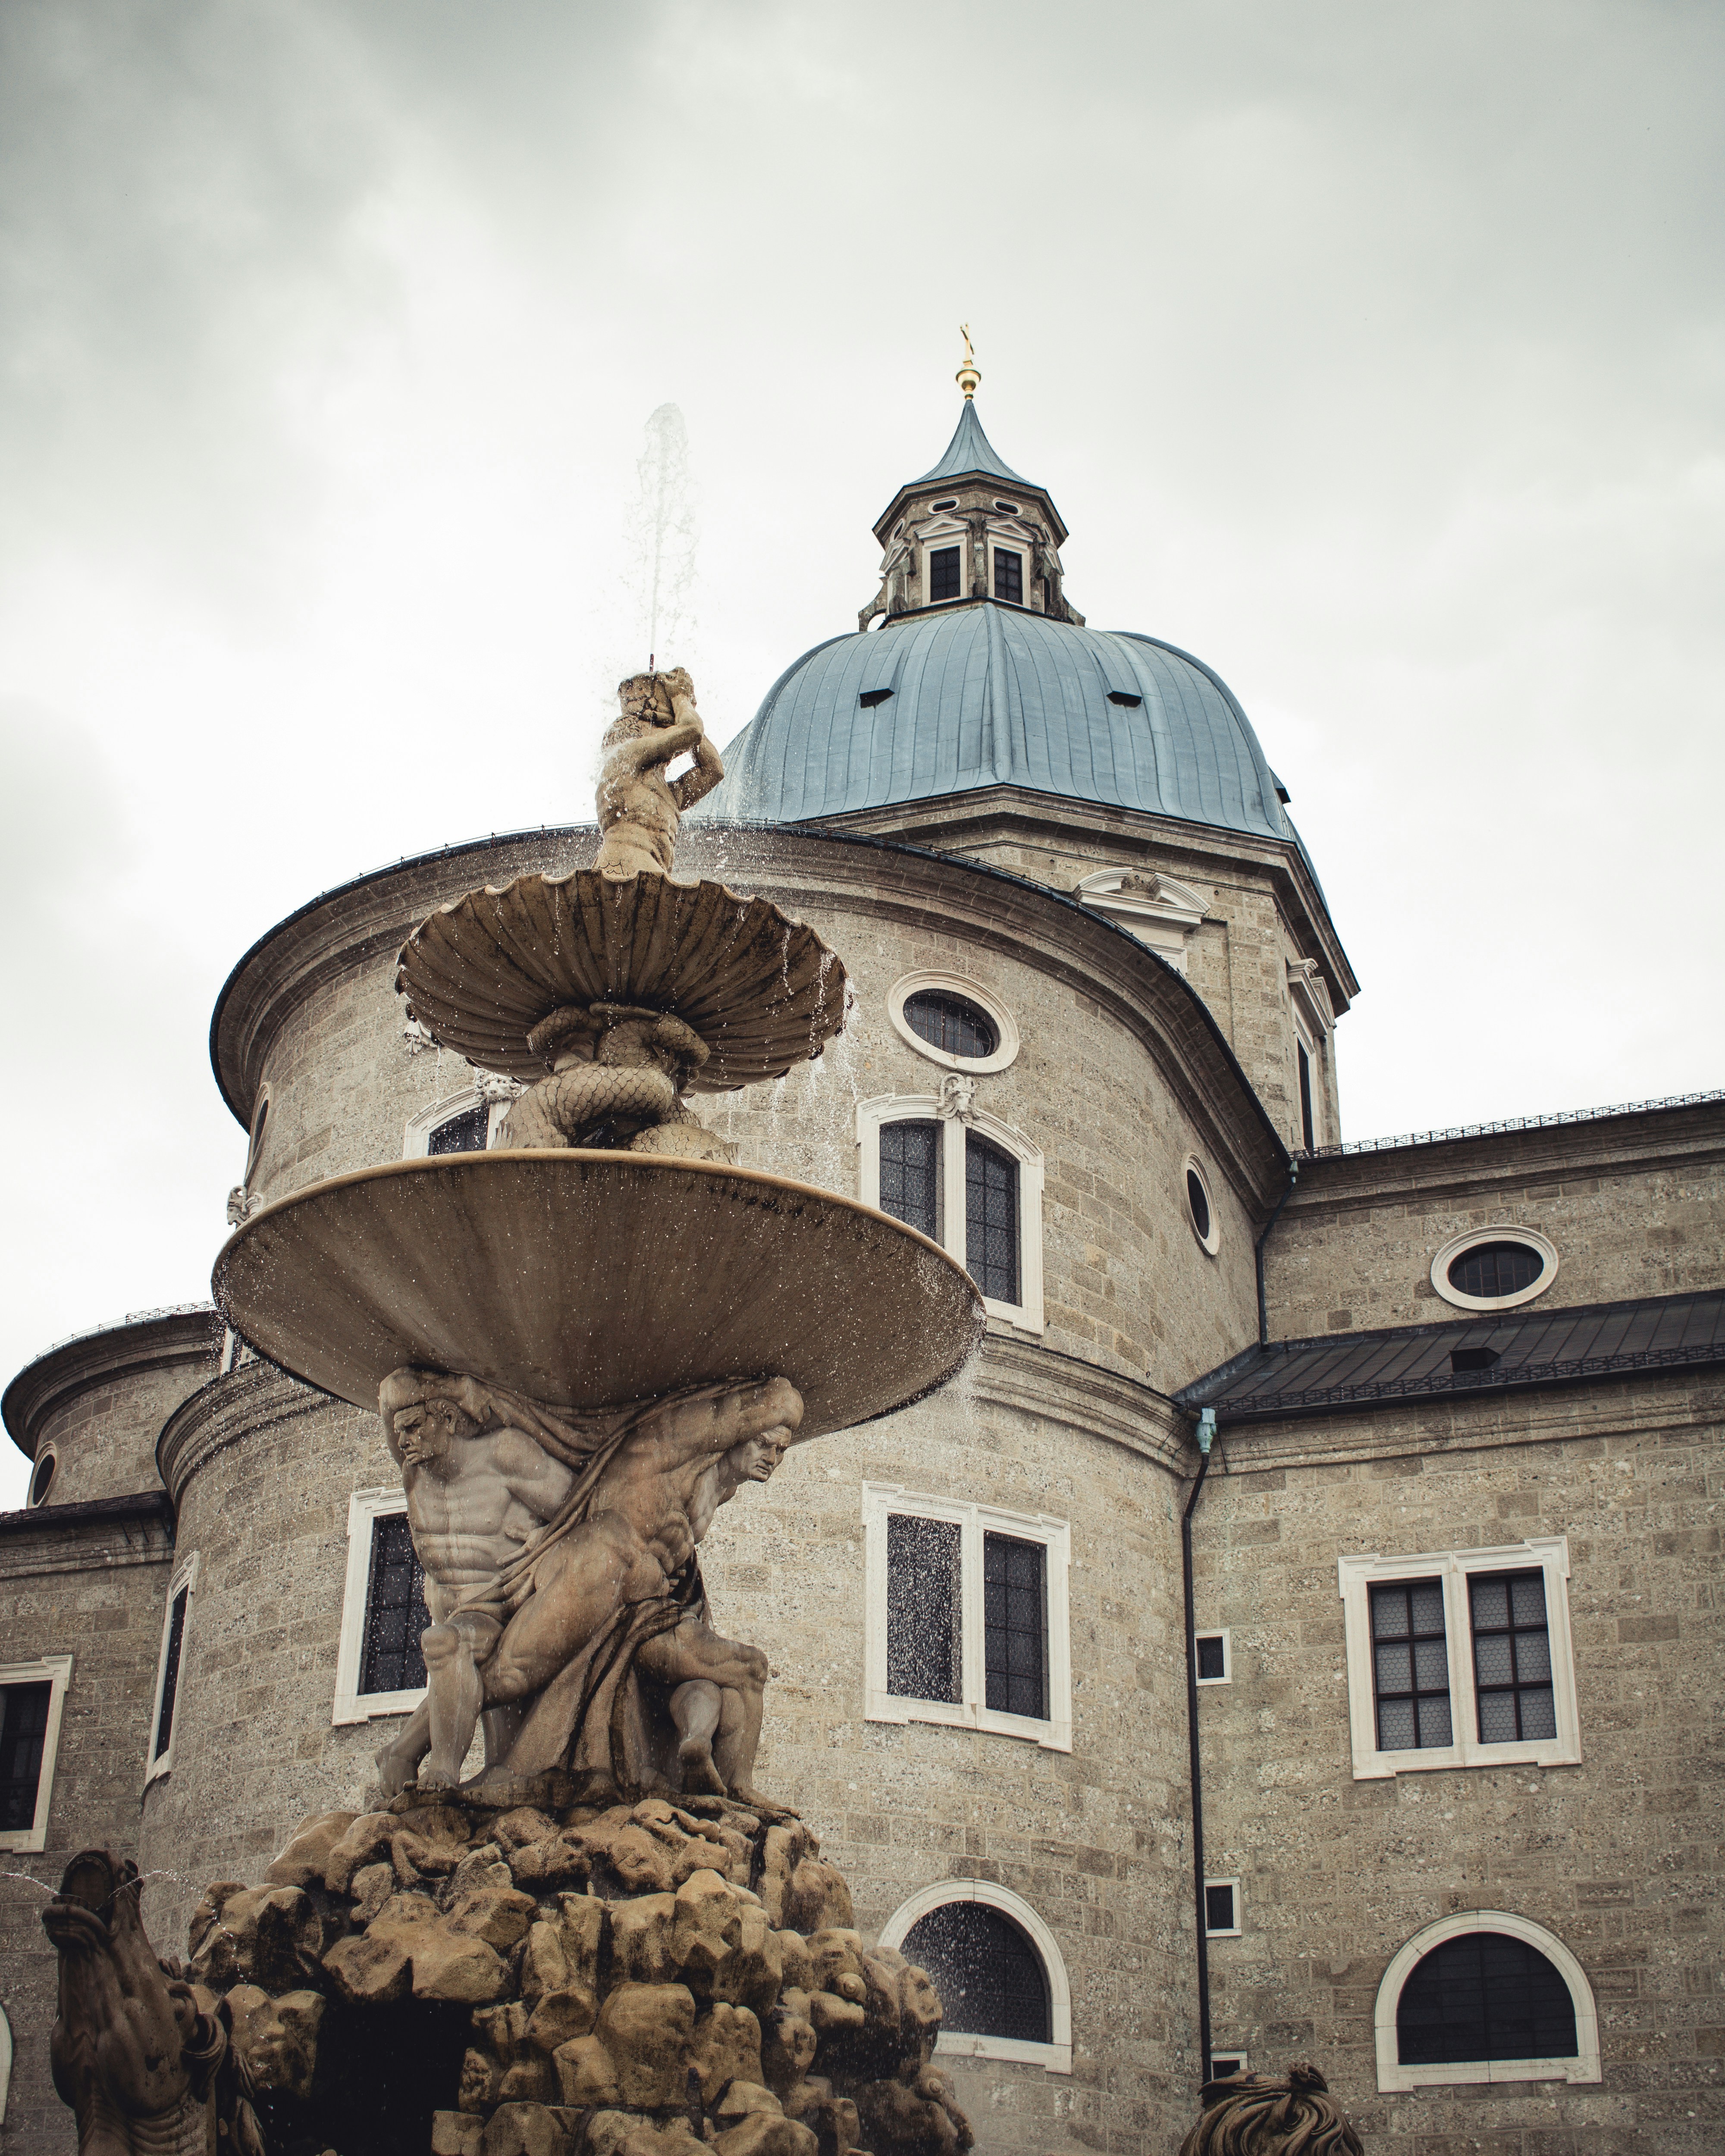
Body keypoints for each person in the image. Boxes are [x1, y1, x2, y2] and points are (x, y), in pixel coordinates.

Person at [374, 1368, 798, 1798]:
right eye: (764, 1443)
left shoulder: (711, 1483)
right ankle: (433, 1771)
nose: (773, 1457)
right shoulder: (420, 1472)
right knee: (493, 1675)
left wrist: (551, 1533)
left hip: (565, 1591)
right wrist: (456, 1389)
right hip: (570, 1585)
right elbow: (582, 1508)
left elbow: (572, 1503)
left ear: (445, 1421)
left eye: (781, 1449)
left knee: (484, 1672)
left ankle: (430, 1767)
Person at [594, 667, 724, 879]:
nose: (667, 735)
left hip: (650, 869)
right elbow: (691, 730)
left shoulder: (667, 794)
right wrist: (680, 698)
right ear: (640, 733)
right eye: (661, 730)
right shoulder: (625, 756)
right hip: (625, 865)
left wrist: (679, 716)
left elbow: (714, 770)